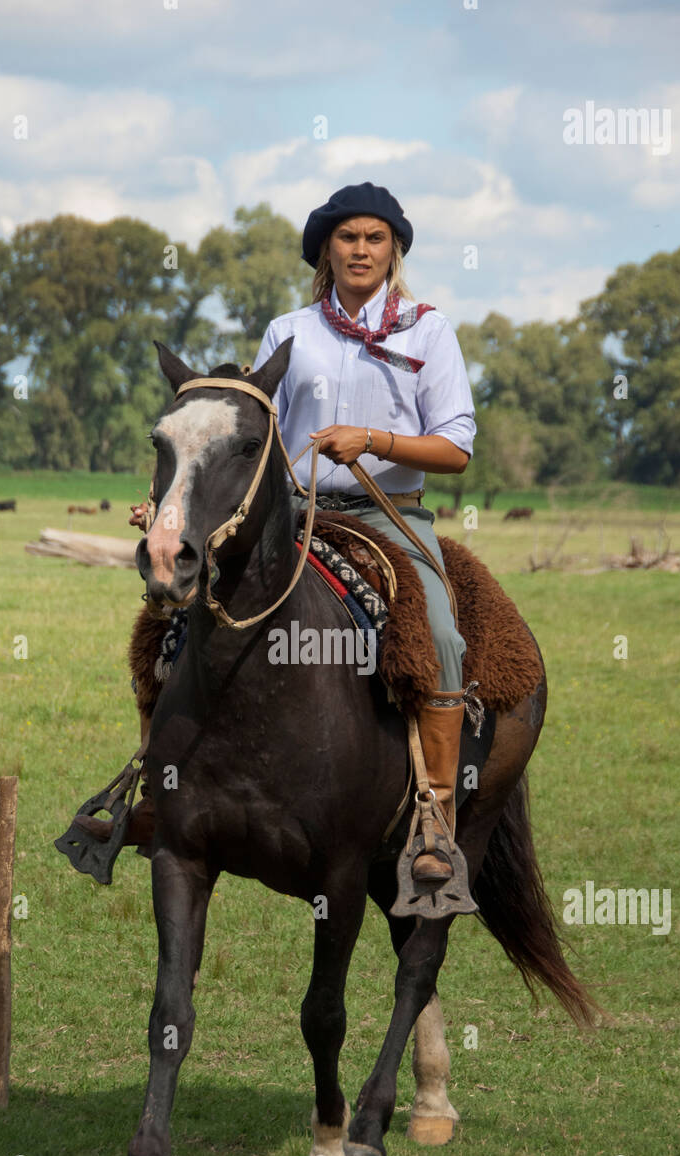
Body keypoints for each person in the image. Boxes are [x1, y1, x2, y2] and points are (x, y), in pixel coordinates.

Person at [251, 182, 476, 886]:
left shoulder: (428, 331)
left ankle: (433, 817)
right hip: (294, 509)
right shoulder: (288, 330)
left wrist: (375, 439)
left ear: (393, 251)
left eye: (374, 238)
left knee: (438, 633)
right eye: (346, 237)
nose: (359, 249)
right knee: (178, 608)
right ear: (325, 248)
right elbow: (255, 434)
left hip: (388, 513)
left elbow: (456, 446)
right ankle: (157, 788)